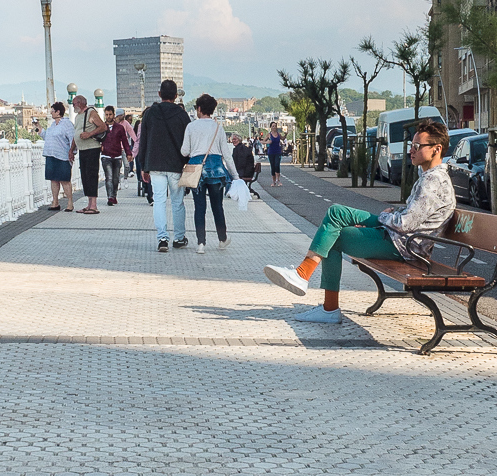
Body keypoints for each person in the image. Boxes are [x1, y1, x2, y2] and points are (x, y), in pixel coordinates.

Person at [264, 120, 456, 324]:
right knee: (335, 220)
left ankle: (310, 283)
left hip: (403, 247)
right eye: (411, 145)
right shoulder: (429, 177)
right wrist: (390, 216)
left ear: (437, 149)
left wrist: (384, 217)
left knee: (335, 222)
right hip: (398, 240)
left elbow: (405, 224)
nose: (411, 150)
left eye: (417, 146)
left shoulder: (433, 181)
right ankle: (310, 285)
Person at [181, 93, 239, 254]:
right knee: (217, 206)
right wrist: (235, 176)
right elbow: (227, 155)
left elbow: (184, 151)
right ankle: (222, 239)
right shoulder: (218, 128)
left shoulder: (191, 127)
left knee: (199, 207)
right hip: (217, 171)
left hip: (197, 172)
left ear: (199, 109)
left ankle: (201, 243)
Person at [139, 80, 191, 252]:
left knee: (159, 201)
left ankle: (162, 238)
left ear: (159, 94)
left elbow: (143, 141)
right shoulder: (182, 115)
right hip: (176, 165)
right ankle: (179, 238)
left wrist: (143, 167)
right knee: (177, 202)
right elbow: (188, 142)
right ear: (176, 96)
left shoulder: (150, 113)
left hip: (154, 164)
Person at [69, 95, 108, 214]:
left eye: (74, 103)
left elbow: (103, 126)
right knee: (85, 176)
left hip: (92, 148)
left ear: (80, 103)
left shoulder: (91, 112)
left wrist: (90, 134)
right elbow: (77, 134)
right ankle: (89, 204)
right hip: (83, 149)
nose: (73, 105)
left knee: (91, 175)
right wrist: (72, 150)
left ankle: (94, 205)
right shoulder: (78, 116)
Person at [36, 102, 76, 212]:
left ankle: (70, 203)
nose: (51, 113)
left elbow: (73, 138)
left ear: (58, 112)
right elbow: (48, 137)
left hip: (63, 156)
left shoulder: (67, 124)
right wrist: (40, 130)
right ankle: (55, 202)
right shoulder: (53, 125)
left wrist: (72, 151)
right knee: (53, 180)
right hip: (51, 154)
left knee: (64, 180)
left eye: (52, 111)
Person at [100, 106, 133, 206]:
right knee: (109, 177)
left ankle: (114, 195)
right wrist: (99, 147)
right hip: (106, 156)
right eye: (106, 115)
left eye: (110, 114)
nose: (108, 116)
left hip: (117, 156)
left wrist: (129, 153)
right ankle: (110, 197)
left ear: (114, 115)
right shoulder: (102, 127)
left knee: (115, 178)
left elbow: (125, 141)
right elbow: (96, 139)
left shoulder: (120, 128)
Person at [132, 118, 153, 205]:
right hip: (145, 153)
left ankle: (151, 194)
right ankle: (150, 195)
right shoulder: (142, 126)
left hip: (153, 153)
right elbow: (138, 141)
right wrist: (133, 154)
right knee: (147, 173)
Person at [115, 110, 136, 188]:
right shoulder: (113, 123)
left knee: (127, 165)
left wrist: (137, 142)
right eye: (121, 115)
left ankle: (125, 178)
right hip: (116, 148)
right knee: (118, 166)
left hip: (124, 147)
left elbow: (131, 132)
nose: (123, 116)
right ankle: (118, 181)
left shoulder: (125, 123)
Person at [265, 121, 283, 186]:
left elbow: (282, 138)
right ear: (271, 127)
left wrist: (286, 135)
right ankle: (273, 181)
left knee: (277, 165)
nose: (274, 127)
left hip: (278, 151)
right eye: (273, 126)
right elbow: (263, 141)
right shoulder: (269, 135)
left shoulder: (278, 134)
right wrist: (268, 142)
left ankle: (278, 180)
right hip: (271, 152)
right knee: (272, 166)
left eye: (275, 126)